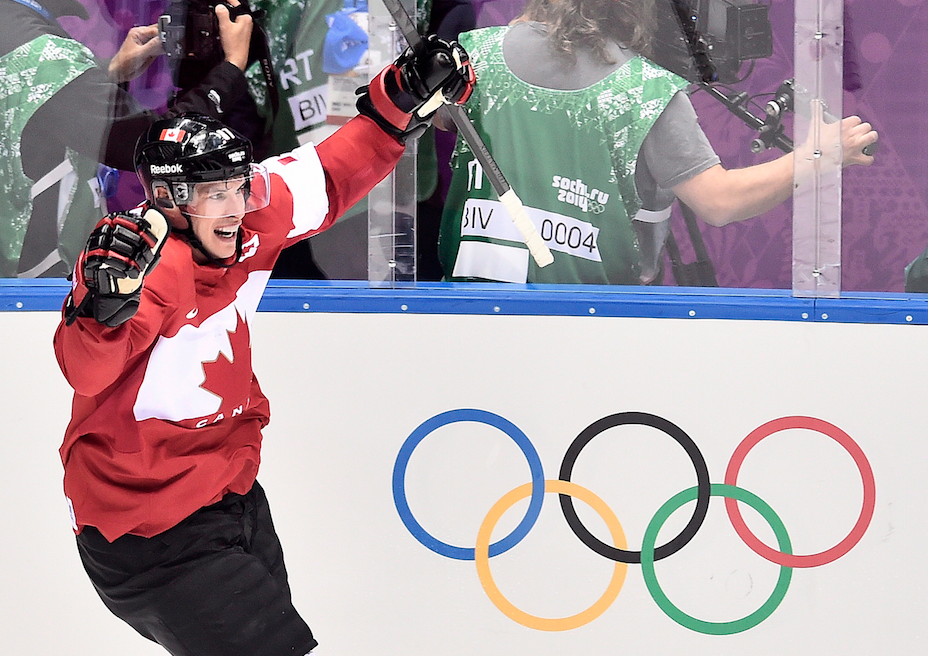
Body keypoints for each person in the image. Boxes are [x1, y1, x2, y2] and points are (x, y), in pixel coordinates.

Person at [52, 35, 475, 656]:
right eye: (215, 193)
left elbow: (332, 170)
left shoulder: (251, 213)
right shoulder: (144, 268)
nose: (234, 206)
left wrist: (402, 96)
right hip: (146, 531)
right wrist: (99, 310)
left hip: (231, 497)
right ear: (169, 199)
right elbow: (87, 372)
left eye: (237, 185)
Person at [437, 0, 879, 285]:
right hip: (593, 323)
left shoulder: (475, 56)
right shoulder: (644, 90)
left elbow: (435, 121)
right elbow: (719, 201)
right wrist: (819, 154)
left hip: (466, 308)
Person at [0, 0, 255, 278]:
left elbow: (41, 114)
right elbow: (156, 147)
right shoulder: (40, 55)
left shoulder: (13, 31)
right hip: (30, 286)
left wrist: (106, 74)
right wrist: (230, 69)